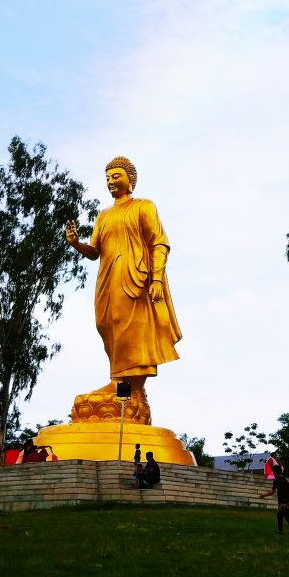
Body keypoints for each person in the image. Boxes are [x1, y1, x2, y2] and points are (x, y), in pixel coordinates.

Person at [65, 157, 182, 424]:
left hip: (135, 277)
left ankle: (126, 390)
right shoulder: (103, 215)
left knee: (130, 330)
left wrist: (155, 278)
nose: (110, 181)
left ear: (130, 179)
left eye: (116, 176)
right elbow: (95, 252)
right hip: (107, 278)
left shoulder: (143, 206)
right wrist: (76, 244)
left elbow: (159, 243)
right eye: (107, 177)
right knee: (107, 325)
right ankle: (126, 390)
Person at [260, 464, 289, 535]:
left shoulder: (276, 480)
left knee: (280, 515)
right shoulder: (285, 479)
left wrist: (263, 495)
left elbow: (272, 492)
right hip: (288, 499)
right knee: (286, 513)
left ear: (275, 472)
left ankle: (280, 531)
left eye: (273, 472)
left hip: (282, 499)